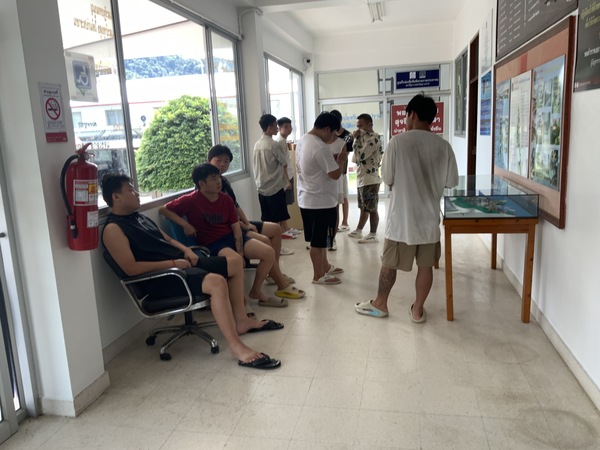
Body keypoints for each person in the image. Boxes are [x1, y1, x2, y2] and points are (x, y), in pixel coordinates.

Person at [100, 173, 282, 370]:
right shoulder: (113, 229)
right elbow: (131, 268)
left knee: (236, 264)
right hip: (164, 278)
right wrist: (173, 263)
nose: (136, 193)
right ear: (116, 197)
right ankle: (237, 347)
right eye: (130, 190)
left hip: (180, 265)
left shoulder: (139, 218)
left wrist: (186, 251)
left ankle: (242, 321)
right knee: (217, 282)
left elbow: (168, 240)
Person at [354, 94, 458, 322]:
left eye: (406, 115)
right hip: (429, 220)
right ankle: (417, 310)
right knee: (425, 266)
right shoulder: (444, 146)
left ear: (413, 114)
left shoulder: (397, 142)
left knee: (388, 264)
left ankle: (380, 304)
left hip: (401, 219)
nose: (405, 120)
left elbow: (387, 178)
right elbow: (451, 181)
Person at [159, 164, 305, 309]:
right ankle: (242, 304)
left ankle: (255, 291)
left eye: (219, 178)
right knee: (236, 262)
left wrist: (240, 252)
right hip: (213, 244)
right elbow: (163, 210)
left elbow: (235, 228)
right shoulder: (191, 199)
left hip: (229, 237)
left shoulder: (225, 199)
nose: (219, 182)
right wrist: (185, 224)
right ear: (201, 183)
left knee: (268, 252)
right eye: (214, 179)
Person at [207, 144, 293, 258]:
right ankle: (274, 268)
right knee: (265, 241)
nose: (222, 164)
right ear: (209, 160)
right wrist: (244, 225)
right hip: (229, 228)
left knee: (276, 229)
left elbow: (236, 205)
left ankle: (275, 266)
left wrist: (247, 223)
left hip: (238, 223)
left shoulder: (224, 181)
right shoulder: (206, 185)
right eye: (218, 160)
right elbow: (223, 216)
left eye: (226, 161)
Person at [296, 112, 347, 284]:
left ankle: (325, 266)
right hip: (319, 201)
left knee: (322, 238)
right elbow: (335, 174)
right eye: (333, 133)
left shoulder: (303, 140)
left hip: (308, 197)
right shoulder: (319, 146)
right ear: (326, 129)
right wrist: (341, 161)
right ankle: (318, 275)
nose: (333, 138)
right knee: (317, 242)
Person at [253, 114, 292, 239]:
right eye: (275, 126)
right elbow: (284, 162)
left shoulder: (257, 144)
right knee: (276, 222)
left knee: (266, 220)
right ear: (269, 127)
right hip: (274, 187)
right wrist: (287, 181)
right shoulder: (274, 145)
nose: (277, 128)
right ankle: (277, 245)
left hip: (261, 187)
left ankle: (268, 242)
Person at [347, 113, 383, 244]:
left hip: (370, 179)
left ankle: (373, 234)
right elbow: (355, 159)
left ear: (369, 124)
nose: (358, 129)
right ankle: (359, 230)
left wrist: (355, 140)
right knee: (364, 206)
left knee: (372, 208)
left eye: (360, 126)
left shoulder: (374, 138)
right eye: (357, 126)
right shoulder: (362, 138)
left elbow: (361, 156)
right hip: (362, 178)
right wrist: (357, 140)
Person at [274, 117, 300, 240]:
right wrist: (286, 180)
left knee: (285, 204)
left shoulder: (283, 141)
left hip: (288, 175)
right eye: (286, 127)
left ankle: (286, 227)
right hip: (284, 178)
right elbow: (281, 164)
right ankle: (283, 229)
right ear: (279, 128)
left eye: (290, 126)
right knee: (282, 204)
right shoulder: (279, 142)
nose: (289, 129)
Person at [329, 110, 353, 234]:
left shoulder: (348, 135)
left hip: (342, 171)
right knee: (335, 200)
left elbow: (345, 154)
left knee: (343, 196)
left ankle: (345, 221)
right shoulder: (327, 136)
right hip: (330, 172)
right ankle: (335, 226)